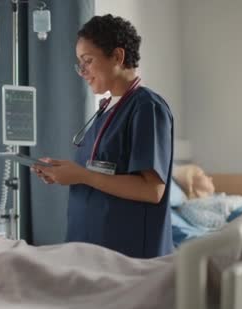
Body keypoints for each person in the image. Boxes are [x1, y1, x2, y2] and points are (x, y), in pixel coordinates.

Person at [32, 14, 174, 258]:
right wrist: (63, 173)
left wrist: (82, 175)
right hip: (90, 248)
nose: (82, 71)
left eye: (87, 61)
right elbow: (98, 173)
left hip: (127, 256)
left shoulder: (146, 107)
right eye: (79, 63)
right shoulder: (107, 109)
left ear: (117, 56)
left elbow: (152, 190)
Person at [172, 164, 242, 230]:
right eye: (203, 174)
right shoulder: (189, 207)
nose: (210, 177)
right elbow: (220, 227)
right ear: (190, 182)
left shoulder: (217, 197)